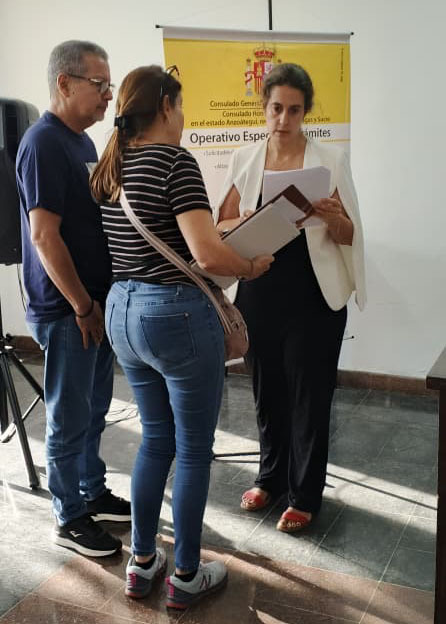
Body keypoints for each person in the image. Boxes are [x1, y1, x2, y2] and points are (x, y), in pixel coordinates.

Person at [90, 65, 273, 607]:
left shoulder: (112, 166)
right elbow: (207, 255)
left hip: (122, 312)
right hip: (174, 317)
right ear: (166, 106)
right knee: (193, 449)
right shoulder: (175, 162)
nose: (185, 117)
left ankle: (142, 562)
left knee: (155, 439)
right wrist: (251, 266)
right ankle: (187, 575)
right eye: (182, 105)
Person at [216, 63, 366, 533]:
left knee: (310, 396)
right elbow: (220, 225)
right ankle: (270, 476)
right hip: (259, 289)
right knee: (267, 393)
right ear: (264, 107)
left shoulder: (330, 161)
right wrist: (249, 219)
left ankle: (304, 494)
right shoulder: (245, 158)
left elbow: (350, 235)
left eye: (294, 110)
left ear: (306, 112)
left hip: (314, 296)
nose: (284, 119)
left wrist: (333, 216)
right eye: (277, 108)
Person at [16, 40, 131, 557]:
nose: (108, 94)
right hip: (68, 309)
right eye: (99, 84)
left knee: (94, 408)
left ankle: (91, 490)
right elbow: (45, 237)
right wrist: (83, 305)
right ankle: (68, 515)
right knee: (68, 416)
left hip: (92, 303)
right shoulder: (43, 142)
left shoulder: (81, 142)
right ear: (64, 82)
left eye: (110, 85)